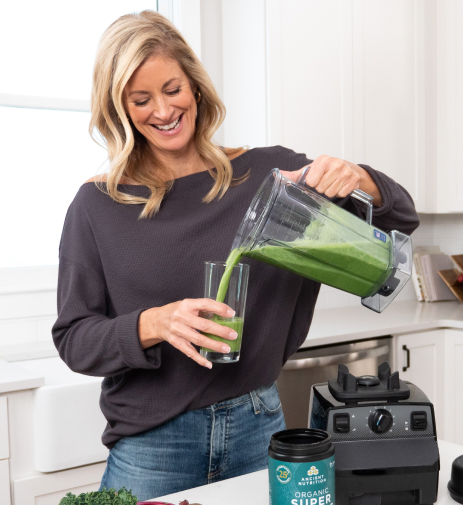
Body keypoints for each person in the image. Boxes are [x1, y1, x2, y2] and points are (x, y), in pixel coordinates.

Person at [52, 10, 419, 501]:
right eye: (141, 99)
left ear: (196, 87)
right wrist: (155, 323)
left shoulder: (273, 176)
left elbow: (403, 217)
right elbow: (75, 339)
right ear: (119, 108)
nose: (162, 110)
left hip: (259, 426)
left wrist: (360, 177)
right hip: (153, 446)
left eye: (172, 89)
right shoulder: (99, 206)